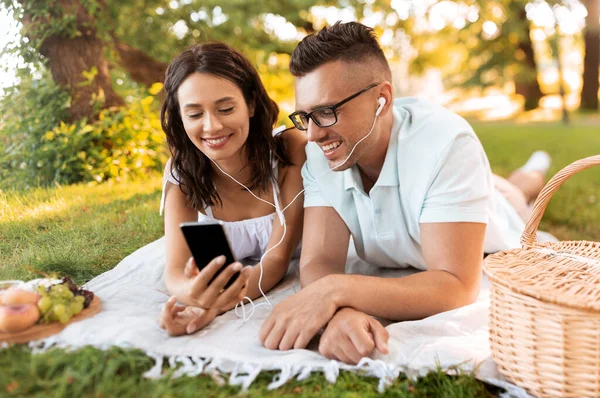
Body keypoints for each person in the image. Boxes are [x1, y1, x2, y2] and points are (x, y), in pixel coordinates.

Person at [258, 21, 552, 364]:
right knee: (506, 186)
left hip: (493, 215)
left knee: (516, 194)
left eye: (326, 112)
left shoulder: (447, 143)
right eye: (305, 116)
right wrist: (339, 313)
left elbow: (456, 285)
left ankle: (535, 169)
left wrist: (335, 290)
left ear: (381, 99)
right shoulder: (324, 151)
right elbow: (320, 260)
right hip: (447, 195)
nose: (311, 135)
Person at [158, 42, 306, 336]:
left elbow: (276, 260)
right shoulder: (183, 171)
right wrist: (193, 295)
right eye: (195, 114)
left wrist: (216, 303)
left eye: (225, 108)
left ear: (251, 104)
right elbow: (174, 272)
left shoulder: (290, 149)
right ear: (180, 117)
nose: (212, 126)